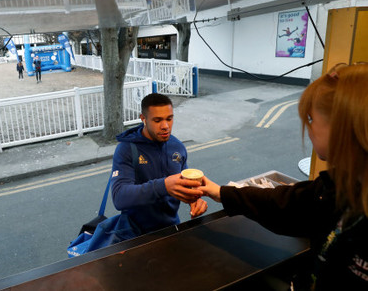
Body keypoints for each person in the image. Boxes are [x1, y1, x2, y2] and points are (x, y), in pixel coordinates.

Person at [199, 63, 368, 290]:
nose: (308, 129)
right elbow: (284, 203)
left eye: (311, 119)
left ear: (341, 128)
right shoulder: (337, 186)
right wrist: (221, 192)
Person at [111, 93, 208, 236]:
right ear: (143, 119)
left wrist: (194, 199)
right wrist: (164, 186)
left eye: (169, 119)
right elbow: (119, 198)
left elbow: (185, 183)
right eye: (157, 120)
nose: (165, 126)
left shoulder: (178, 147)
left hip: (172, 228)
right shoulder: (126, 149)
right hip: (135, 233)